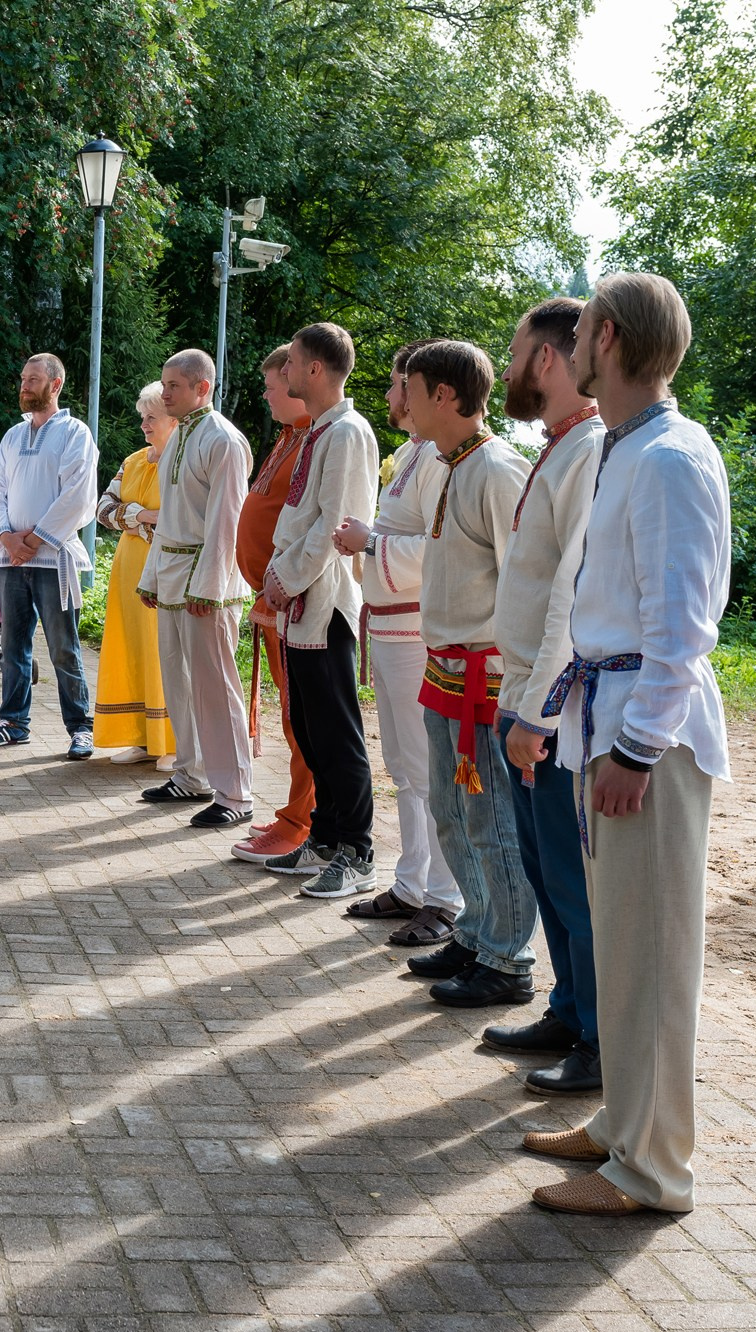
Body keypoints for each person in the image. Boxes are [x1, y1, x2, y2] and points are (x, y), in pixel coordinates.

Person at [526, 273, 732, 1217]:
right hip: (605, 722)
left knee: (651, 955)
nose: (566, 347)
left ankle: (653, 1170)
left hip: (644, 738)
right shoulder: (626, 448)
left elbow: (682, 629)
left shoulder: (669, 459)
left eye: (578, 331)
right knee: (622, 944)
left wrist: (639, 750)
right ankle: (625, 1123)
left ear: (604, 337)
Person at [387, 340, 536, 1008]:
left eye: (411, 388)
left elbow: (526, 581)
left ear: (445, 395)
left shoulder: (499, 470)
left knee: (490, 816)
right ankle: (476, 933)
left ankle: (508, 959)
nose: (404, 400)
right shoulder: (447, 465)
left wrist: (513, 674)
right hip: (445, 673)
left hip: (486, 677)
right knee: (452, 811)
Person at [491, 297, 606, 1096]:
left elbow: (572, 594)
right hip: (526, 694)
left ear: (546, 358)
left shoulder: (590, 449)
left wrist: (539, 711)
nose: (506, 364)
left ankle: (599, 1038)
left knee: (571, 877)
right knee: (545, 869)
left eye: (515, 348)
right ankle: (568, 1007)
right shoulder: (560, 448)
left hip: (552, 710)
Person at [325, 343, 465, 946]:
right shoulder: (412, 455)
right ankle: (411, 880)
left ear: (421, 389)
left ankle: (445, 896)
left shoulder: (442, 461)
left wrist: (370, 543)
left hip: (415, 625)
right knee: (405, 765)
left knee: (430, 767)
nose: (387, 396)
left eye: (395, 385)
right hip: (388, 623)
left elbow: (442, 551)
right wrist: (373, 541)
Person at [258, 324, 379, 897]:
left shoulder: (347, 433)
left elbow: (337, 525)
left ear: (313, 369)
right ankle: (327, 835)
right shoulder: (320, 430)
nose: (282, 373)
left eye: (292, 363)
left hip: (324, 600)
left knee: (335, 729)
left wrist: (285, 575)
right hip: (301, 600)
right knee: (309, 725)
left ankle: (356, 849)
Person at [135, 350, 253, 828]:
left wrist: (208, 585)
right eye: (164, 385)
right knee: (179, 682)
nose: (165, 394)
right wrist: (151, 576)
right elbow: (171, 518)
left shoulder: (223, 439)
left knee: (216, 688)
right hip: (172, 575)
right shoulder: (180, 432)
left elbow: (228, 523)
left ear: (202, 388)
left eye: (174, 387)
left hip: (210, 582)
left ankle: (237, 794)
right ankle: (192, 774)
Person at [0, 354, 98, 757]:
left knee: (63, 646)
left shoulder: (74, 433)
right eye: (23, 379)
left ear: (56, 384)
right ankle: (13, 721)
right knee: (12, 645)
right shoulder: (13, 436)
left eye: (33, 379)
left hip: (53, 558)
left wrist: (36, 538)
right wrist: (7, 537)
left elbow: (78, 495)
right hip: (11, 561)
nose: (24, 386)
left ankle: (81, 727)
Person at [230, 348, 314, 863]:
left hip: (298, 602)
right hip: (274, 600)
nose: (264, 395)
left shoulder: (317, 438)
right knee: (292, 716)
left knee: (302, 719)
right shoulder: (289, 438)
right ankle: (296, 812)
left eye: (270, 386)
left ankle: (302, 820)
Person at [93, 382, 177, 770]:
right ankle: (142, 737)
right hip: (128, 571)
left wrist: (132, 518)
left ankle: (173, 744)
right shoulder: (132, 461)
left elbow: (176, 521)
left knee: (163, 652)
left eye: (152, 417)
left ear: (172, 418)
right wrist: (142, 516)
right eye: (142, 417)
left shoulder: (183, 462)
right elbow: (103, 509)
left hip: (165, 572)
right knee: (132, 649)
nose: (144, 424)